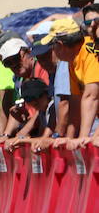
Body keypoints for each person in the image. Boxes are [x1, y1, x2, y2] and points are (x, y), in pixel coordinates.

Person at [41, 18, 99, 147]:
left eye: (52, 46)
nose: (53, 51)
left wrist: (82, 137)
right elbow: (75, 101)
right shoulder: (73, 59)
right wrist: (69, 138)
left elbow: (91, 96)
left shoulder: (90, 52)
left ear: (60, 45)